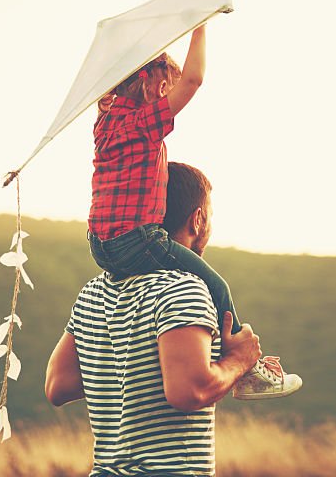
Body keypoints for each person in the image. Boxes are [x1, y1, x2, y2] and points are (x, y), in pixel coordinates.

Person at [46, 162, 302, 477]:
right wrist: (237, 362)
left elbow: (58, 386)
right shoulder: (183, 286)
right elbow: (188, 392)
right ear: (197, 220)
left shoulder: (93, 292)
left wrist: (130, 367)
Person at [87, 24, 298, 398]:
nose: (171, 94)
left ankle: (204, 351)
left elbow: (172, 79)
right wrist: (198, 26)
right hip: (136, 240)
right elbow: (194, 80)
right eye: (165, 87)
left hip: (100, 246)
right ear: (150, 84)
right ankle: (246, 369)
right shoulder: (141, 123)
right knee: (217, 286)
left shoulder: (105, 121)